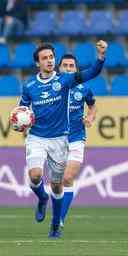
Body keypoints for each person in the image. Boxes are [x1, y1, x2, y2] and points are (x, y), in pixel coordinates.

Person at [19, 40, 107, 238]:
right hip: (37, 137)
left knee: (58, 185)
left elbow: (91, 73)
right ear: (37, 63)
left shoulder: (65, 81)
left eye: (51, 57)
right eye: (45, 58)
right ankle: (42, 198)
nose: (49, 61)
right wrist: (20, 122)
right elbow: (21, 111)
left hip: (60, 139)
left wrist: (100, 57)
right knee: (34, 175)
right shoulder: (29, 86)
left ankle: (56, 224)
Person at [58, 54, 97, 228]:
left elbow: (92, 106)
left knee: (68, 178)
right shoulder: (53, 86)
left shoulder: (84, 88)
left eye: (71, 66)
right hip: (55, 139)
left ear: (76, 70)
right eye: (65, 65)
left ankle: (59, 220)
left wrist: (90, 117)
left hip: (76, 138)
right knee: (55, 183)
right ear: (59, 68)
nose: (68, 68)